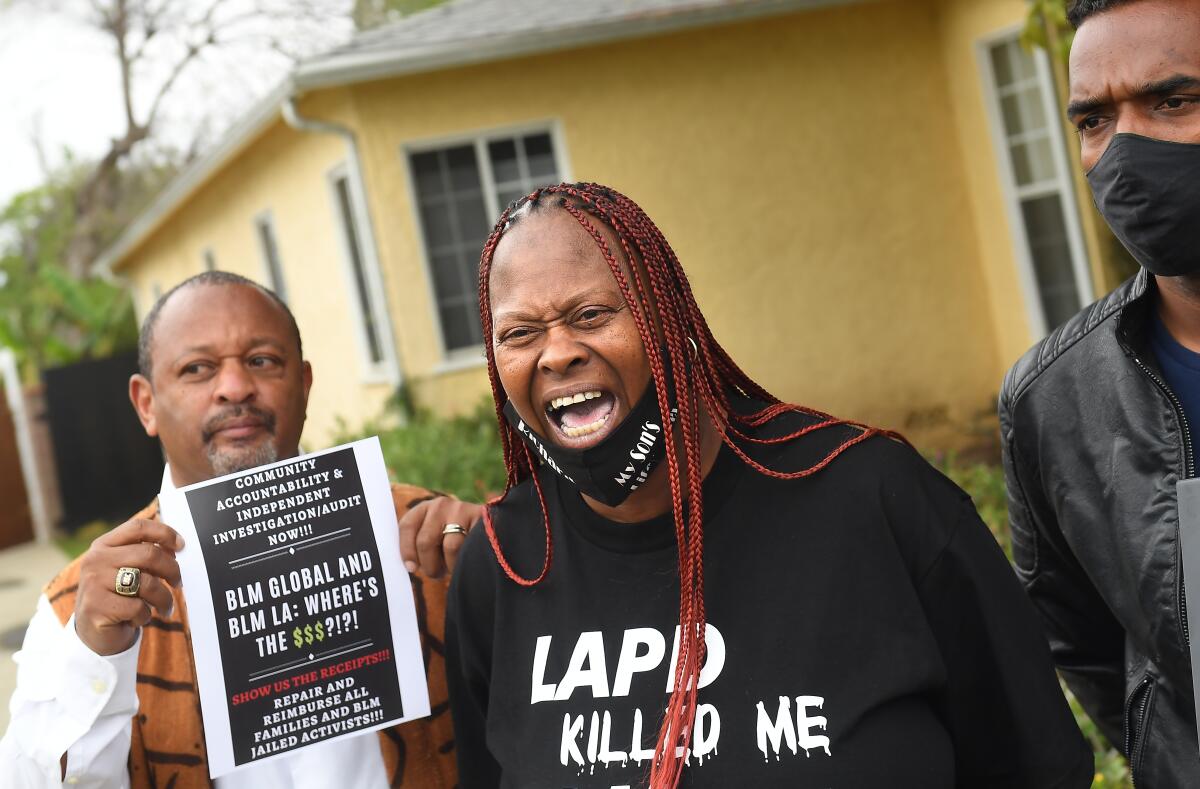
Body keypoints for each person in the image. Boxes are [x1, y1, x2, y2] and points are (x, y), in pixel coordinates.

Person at [444, 182, 1091, 788]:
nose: (557, 353)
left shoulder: (870, 497)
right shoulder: (505, 564)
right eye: (519, 333)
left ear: (667, 319)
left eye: (590, 314)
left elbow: (1032, 763)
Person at [0, 271, 481, 787]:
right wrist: (93, 654)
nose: (234, 388)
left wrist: (500, 560)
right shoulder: (78, 607)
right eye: (197, 368)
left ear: (304, 383)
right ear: (146, 404)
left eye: (262, 361)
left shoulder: (423, 532)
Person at [999, 1, 1200, 785]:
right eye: (1093, 120)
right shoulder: (1052, 400)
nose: (1124, 151)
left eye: (1172, 101)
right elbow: (1079, 640)